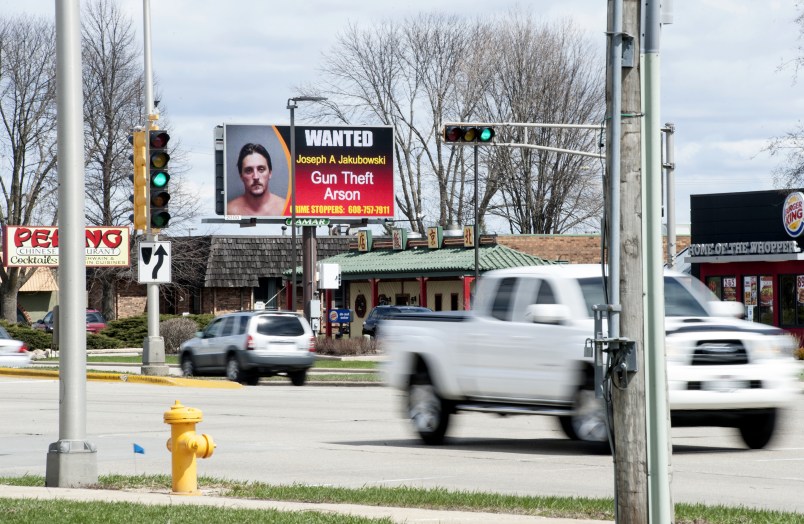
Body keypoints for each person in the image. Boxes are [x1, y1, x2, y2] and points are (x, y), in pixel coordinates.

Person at [227, 143, 286, 216]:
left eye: (261, 169)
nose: (256, 177)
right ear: (241, 176)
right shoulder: (229, 212)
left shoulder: (286, 209)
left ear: (270, 173)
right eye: (249, 170)